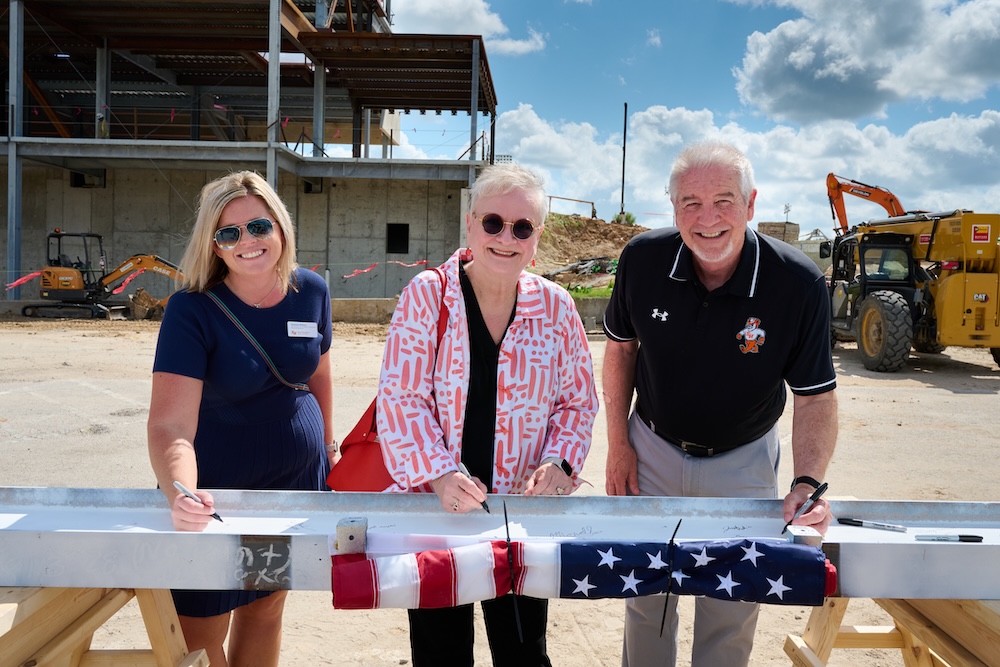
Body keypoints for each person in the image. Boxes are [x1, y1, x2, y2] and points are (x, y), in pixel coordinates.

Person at [602, 141, 838, 667]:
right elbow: (620, 349)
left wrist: (808, 480)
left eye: (723, 200)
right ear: (673, 208)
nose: (707, 219)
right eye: (690, 202)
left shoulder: (797, 285)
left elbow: (816, 395)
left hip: (744, 459)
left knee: (731, 605)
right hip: (652, 450)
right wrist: (618, 443)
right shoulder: (641, 260)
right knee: (646, 600)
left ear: (752, 205)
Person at [376, 162, 599, 666]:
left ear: (536, 238)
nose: (506, 237)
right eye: (493, 222)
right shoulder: (428, 295)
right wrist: (437, 473)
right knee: (441, 654)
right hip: (437, 509)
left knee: (523, 652)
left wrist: (561, 463)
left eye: (522, 227)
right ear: (471, 224)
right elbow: (401, 397)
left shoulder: (558, 308)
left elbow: (577, 402)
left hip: (519, 513)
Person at [147, 171, 336, 667]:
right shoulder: (192, 311)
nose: (247, 242)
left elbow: (318, 376)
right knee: (201, 623)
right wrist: (180, 490)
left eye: (258, 226)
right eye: (228, 233)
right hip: (219, 491)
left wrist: (331, 449)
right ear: (214, 245)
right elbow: (170, 426)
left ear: (280, 226)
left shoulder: (311, 290)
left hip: (290, 486)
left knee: (264, 607)